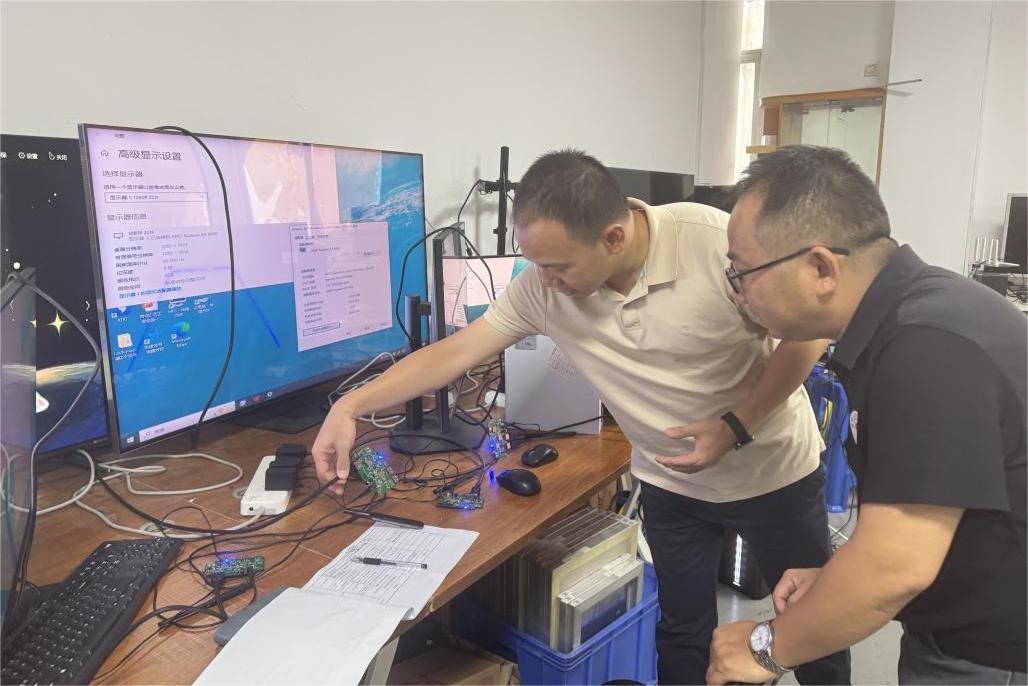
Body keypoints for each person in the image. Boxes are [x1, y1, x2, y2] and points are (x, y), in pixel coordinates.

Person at [313, 150, 850, 685]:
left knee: (815, 625)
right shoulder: (543, 288)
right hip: (672, 483)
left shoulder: (712, 242)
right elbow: (455, 352)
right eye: (537, 265)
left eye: (558, 267)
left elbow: (810, 333)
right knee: (683, 633)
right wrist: (350, 405)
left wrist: (735, 425)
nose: (546, 281)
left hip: (773, 472)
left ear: (613, 238)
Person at [707, 145, 1027, 685]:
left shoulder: (924, 348)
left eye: (743, 272)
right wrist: (838, 578)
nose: (738, 293)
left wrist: (766, 647)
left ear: (821, 268)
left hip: (991, 654)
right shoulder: (919, 312)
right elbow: (916, 514)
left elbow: (896, 565)